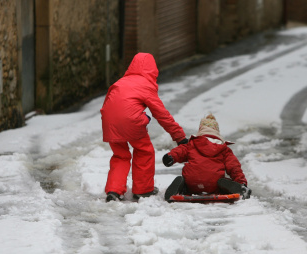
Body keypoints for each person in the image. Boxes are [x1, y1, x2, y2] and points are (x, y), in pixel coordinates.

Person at [100, 52, 188, 202]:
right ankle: (143, 190)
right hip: (130, 122)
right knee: (144, 151)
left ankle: (114, 191)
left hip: (109, 122)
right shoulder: (145, 85)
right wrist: (179, 137)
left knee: (120, 156)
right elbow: (162, 115)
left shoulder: (120, 82)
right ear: (153, 70)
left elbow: (110, 104)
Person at [162, 113, 252, 201]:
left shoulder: (191, 144)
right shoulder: (224, 149)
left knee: (186, 182)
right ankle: (230, 187)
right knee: (221, 182)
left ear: (201, 129)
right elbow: (234, 167)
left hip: (192, 182)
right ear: (217, 131)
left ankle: (181, 186)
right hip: (214, 183)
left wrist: (170, 157)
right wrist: (241, 182)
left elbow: (180, 151)